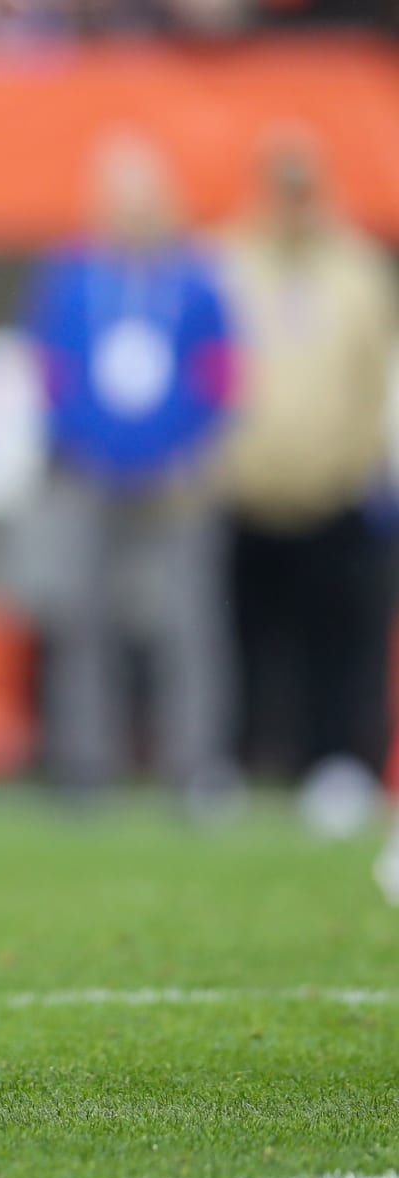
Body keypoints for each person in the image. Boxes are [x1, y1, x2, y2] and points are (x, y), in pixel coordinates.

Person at [22, 132, 237, 809]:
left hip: (176, 481)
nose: (134, 212)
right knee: (81, 621)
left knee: (187, 624)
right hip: (88, 475)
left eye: (146, 198)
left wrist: (188, 451)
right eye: (122, 199)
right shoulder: (72, 275)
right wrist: (80, 446)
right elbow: (51, 373)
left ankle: (194, 764)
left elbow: (219, 375)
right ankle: (85, 764)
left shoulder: (195, 278)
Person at [214, 127, 397, 831]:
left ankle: (339, 762)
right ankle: (241, 761)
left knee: (338, 638)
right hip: (247, 486)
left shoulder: (356, 270)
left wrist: (359, 459)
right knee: (240, 638)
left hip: (334, 487)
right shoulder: (228, 261)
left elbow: (375, 377)